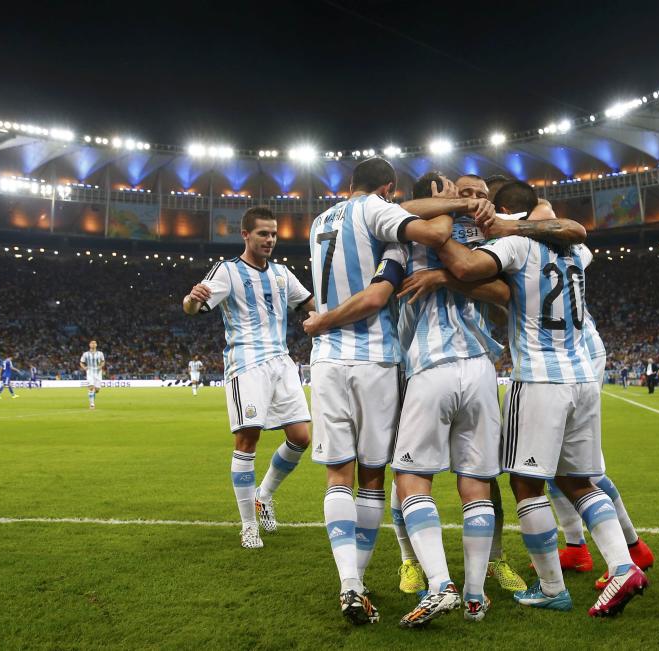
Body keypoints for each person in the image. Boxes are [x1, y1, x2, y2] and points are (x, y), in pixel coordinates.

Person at [437, 180, 648, 618]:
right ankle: (624, 564)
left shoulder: (515, 246)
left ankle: (552, 586)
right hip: (582, 380)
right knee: (578, 482)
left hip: (539, 379)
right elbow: (566, 232)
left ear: (506, 210)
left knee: (525, 482)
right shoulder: (573, 252)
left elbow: (467, 269)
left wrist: (437, 243)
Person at [302, 157, 493, 625]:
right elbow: (425, 238)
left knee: (336, 477)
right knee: (372, 477)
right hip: (374, 358)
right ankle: (460, 590)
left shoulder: (319, 221)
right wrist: (458, 202)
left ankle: (352, 585)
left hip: (326, 360)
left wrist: (322, 321)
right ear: (387, 189)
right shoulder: (379, 216)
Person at [183, 206, 313, 552]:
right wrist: (192, 300)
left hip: (282, 362)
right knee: (247, 440)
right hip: (246, 364)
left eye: (274, 234)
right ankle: (248, 526)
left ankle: (264, 495)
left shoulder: (283, 274)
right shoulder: (227, 272)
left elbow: (311, 305)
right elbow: (192, 307)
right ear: (246, 235)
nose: (270, 240)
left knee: (301, 437)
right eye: (263, 234)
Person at [545, 305, 656, 590]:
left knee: (576, 467)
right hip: (570, 346)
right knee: (557, 464)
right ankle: (579, 549)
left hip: (573, 350)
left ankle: (630, 550)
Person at [80, 341, 105, 409]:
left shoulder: (100, 353)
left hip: (98, 372)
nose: (93, 344)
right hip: (90, 371)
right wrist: (84, 368)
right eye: (92, 343)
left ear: (96, 345)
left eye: (94, 343)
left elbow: (103, 361)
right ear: (89, 345)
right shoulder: (85, 354)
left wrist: (101, 366)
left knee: (97, 389)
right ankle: (92, 404)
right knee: (91, 387)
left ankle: (94, 391)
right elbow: (81, 362)